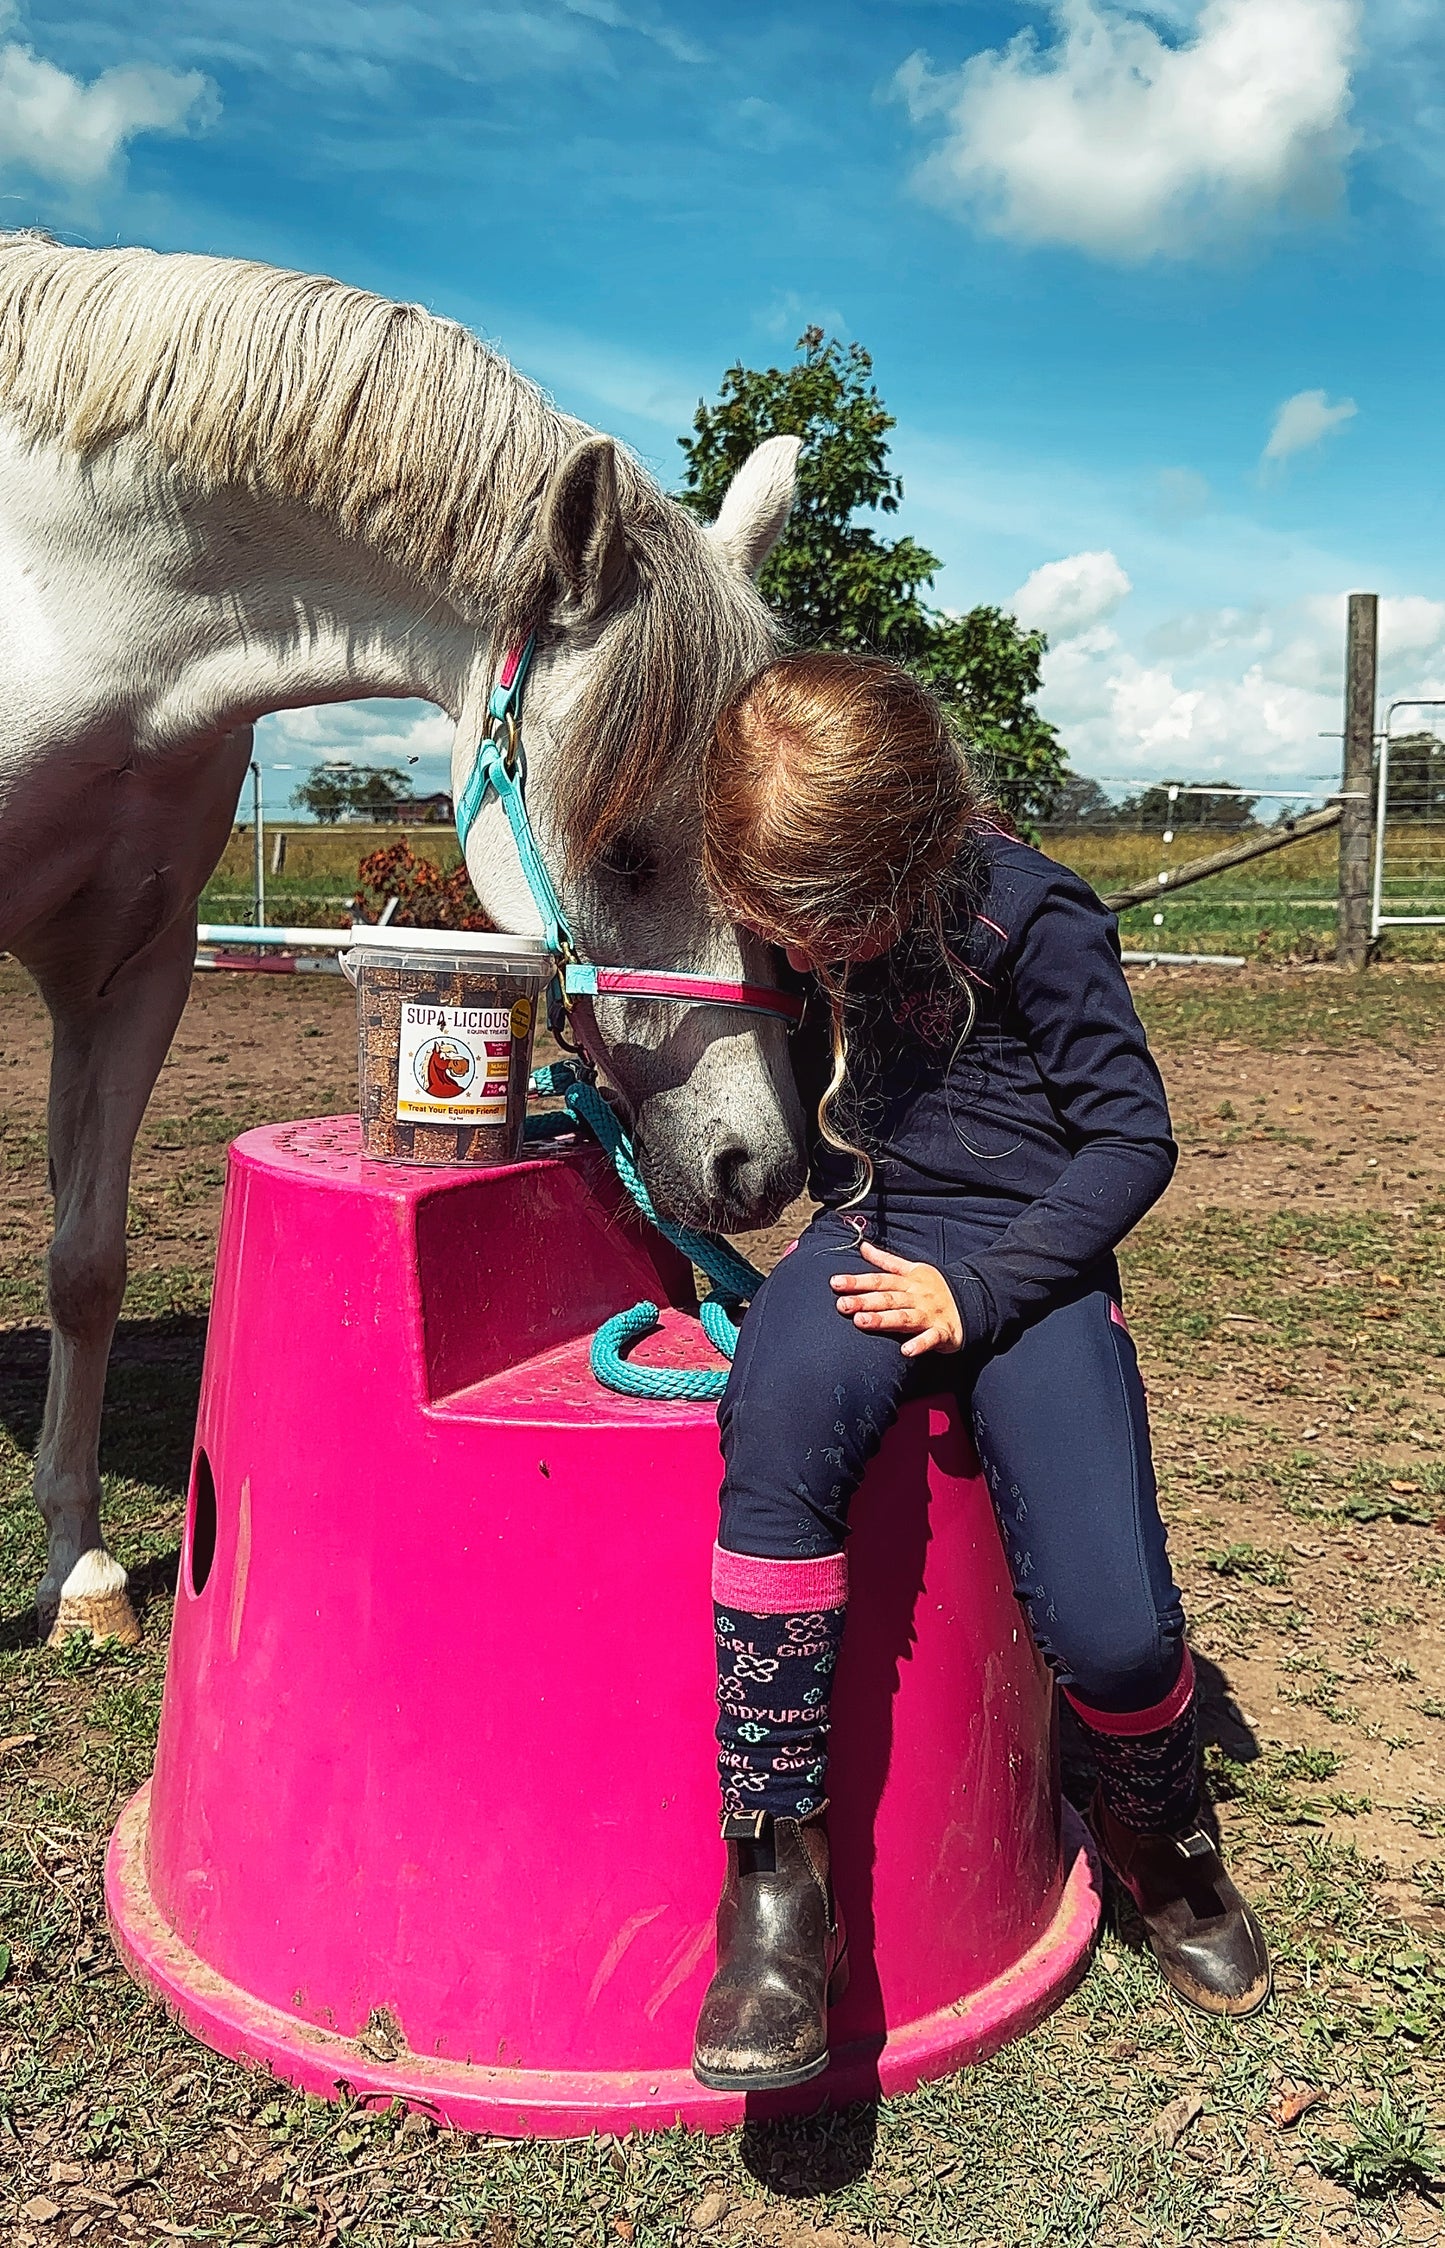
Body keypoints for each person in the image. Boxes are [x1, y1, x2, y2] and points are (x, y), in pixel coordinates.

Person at [690, 652, 1270, 2094]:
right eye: (786, 931)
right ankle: (776, 1873)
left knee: (1119, 1632)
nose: (813, 958)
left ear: (919, 842)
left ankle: (1153, 1822)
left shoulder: (1032, 914)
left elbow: (1131, 1142)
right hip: (872, 1238)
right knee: (774, 1420)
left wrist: (986, 1290)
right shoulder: (798, 912)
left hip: (1027, 1263)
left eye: (834, 926)